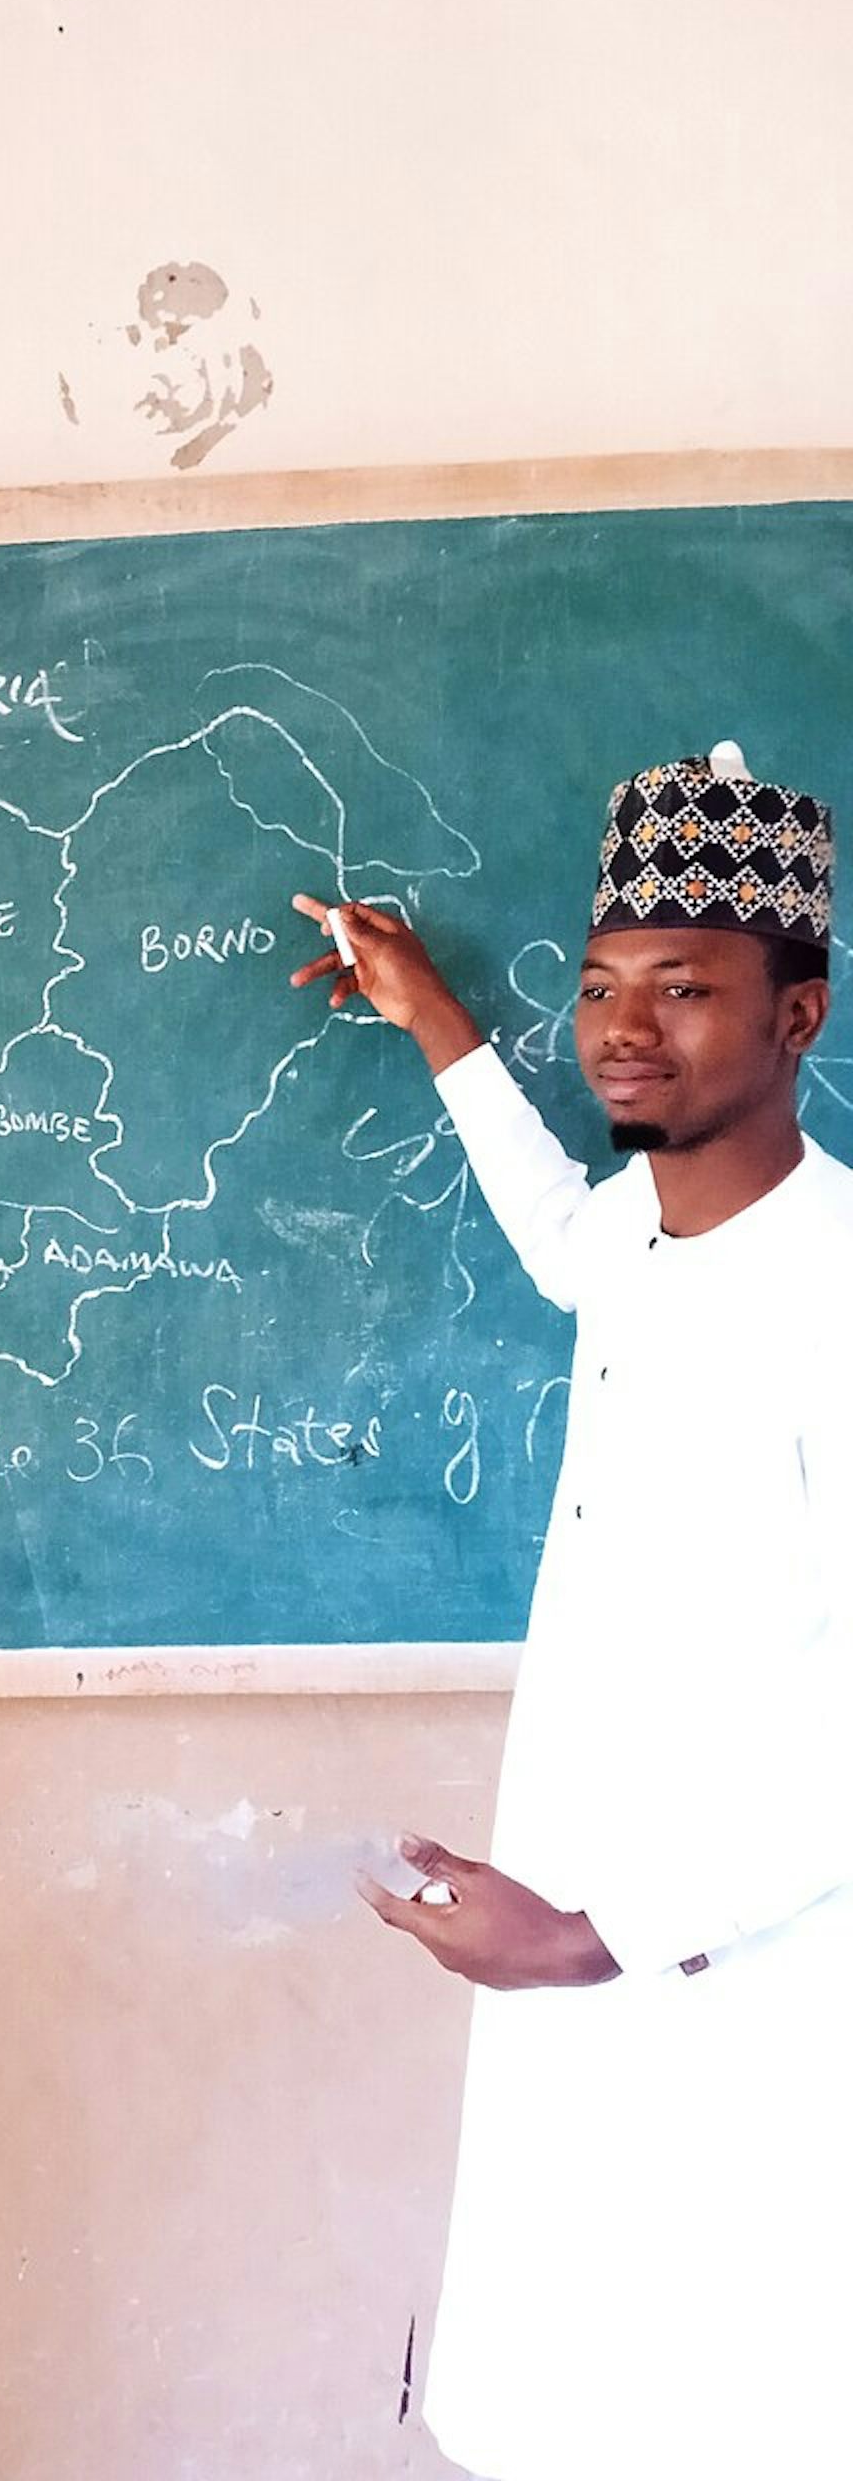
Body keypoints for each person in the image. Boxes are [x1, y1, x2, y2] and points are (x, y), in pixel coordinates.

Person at [289, 746, 851, 2481]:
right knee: (574, 2396)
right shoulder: (643, 1246)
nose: (626, 1027)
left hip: (752, 1988)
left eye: (686, 992)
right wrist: (442, 1023)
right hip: (579, 1936)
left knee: (739, 2401)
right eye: (603, 987)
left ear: (799, 1019)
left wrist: (602, 1936)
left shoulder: (837, 1291)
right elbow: (554, 1236)